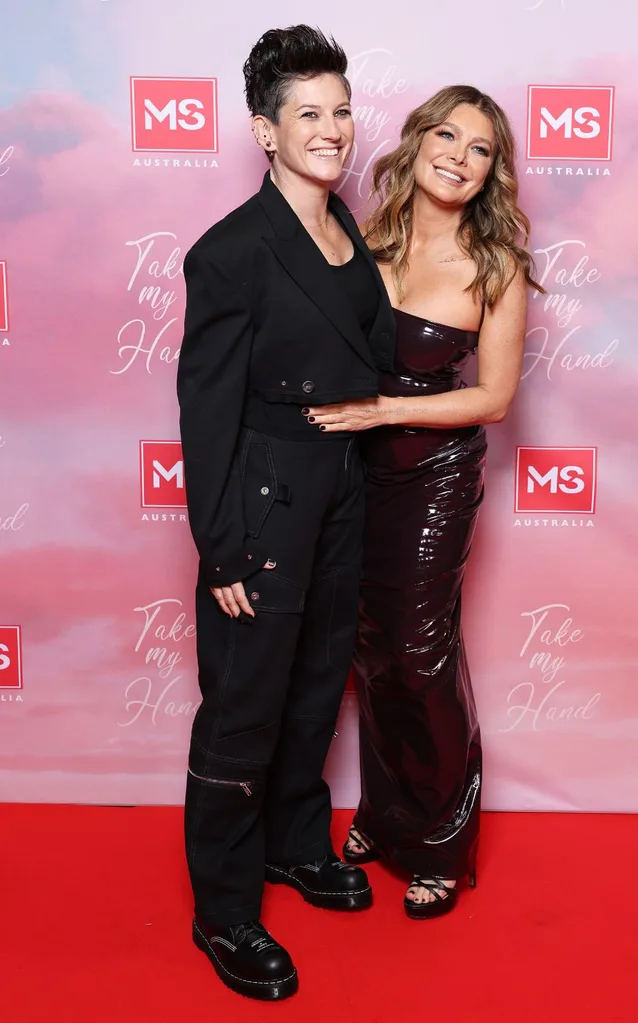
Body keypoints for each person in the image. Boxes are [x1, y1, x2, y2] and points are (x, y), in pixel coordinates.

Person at [177, 25, 395, 1000]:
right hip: (262, 501)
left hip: (339, 487)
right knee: (244, 710)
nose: (332, 130)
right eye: (308, 114)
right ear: (265, 132)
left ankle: (293, 845)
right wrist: (220, 549)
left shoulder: (347, 227)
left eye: (340, 110)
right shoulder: (231, 253)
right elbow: (206, 407)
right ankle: (222, 912)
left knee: (314, 687)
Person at [305, 85, 542, 919]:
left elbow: (494, 398)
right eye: (448, 134)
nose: (460, 156)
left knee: (420, 650)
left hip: (434, 472)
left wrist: (386, 409)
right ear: (418, 140)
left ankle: (441, 834)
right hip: (349, 470)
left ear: (492, 172)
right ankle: (382, 811)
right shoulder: (361, 239)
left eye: (481, 148)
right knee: (369, 651)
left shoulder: (497, 265)